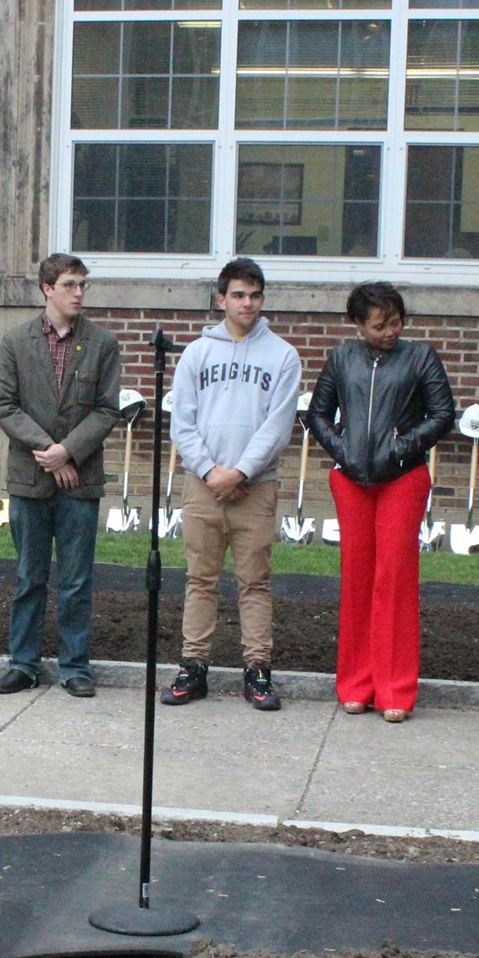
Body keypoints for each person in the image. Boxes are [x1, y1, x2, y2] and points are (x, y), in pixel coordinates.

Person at [304, 282, 454, 722]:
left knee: (395, 578)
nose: (390, 331)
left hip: (402, 479)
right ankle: (355, 683)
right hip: (350, 480)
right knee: (357, 577)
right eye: (379, 325)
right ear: (358, 325)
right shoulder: (341, 358)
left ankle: (395, 690)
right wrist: (342, 449)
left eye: (396, 322)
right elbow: (317, 414)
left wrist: (402, 447)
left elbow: (443, 414)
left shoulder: (420, 357)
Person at [159, 257, 302, 712]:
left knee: (254, 582)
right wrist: (209, 471)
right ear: (221, 299)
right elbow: (182, 421)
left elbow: (278, 427)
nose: (247, 303)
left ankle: (258, 671)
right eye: (238, 295)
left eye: (255, 295)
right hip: (202, 485)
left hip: (255, 488)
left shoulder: (282, 355)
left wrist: (240, 471)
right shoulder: (197, 354)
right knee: (200, 580)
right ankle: (193, 667)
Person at [0, 254, 123, 698]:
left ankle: (75, 665)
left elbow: (107, 409)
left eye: (83, 285)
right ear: (47, 288)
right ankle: (23, 663)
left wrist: (70, 451)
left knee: (77, 578)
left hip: (80, 481)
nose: (79, 293)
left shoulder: (102, 343)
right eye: (69, 284)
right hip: (30, 479)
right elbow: (5, 406)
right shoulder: (16, 342)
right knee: (29, 576)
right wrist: (49, 451)